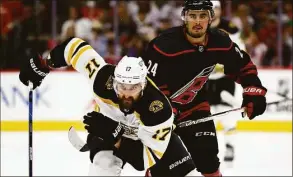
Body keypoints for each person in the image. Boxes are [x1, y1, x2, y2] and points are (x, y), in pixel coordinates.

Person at [18, 37, 198, 177]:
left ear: (143, 85)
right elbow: (75, 48)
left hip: (144, 141)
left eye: (133, 88)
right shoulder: (102, 78)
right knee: (102, 171)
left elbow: (144, 160)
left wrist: (117, 135)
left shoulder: (158, 110)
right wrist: (45, 64)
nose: (126, 94)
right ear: (114, 82)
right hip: (104, 132)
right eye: (121, 87)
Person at [142, 0, 267, 176]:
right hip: (161, 112)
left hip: (195, 107)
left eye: (203, 16)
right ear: (184, 17)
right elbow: (148, 86)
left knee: (209, 162)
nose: (198, 21)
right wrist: (164, 112)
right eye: (193, 16)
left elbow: (242, 66)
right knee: (163, 169)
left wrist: (253, 91)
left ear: (211, 18)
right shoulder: (163, 46)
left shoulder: (220, 41)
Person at [206, 0, 247, 163]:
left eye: (216, 9)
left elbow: (240, 51)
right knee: (206, 115)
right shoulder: (197, 28)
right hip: (204, 80)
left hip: (225, 79)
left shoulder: (231, 28)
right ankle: (206, 151)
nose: (213, 13)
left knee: (228, 113)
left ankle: (230, 147)